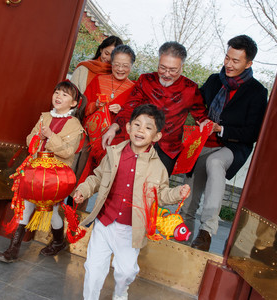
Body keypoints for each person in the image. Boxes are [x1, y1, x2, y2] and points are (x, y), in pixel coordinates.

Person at [73, 104, 191, 300]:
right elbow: (97, 177)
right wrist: (83, 190)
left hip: (131, 229)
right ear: (127, 128)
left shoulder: (159, 168)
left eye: (148, 127)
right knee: (93, 268)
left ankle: (120, 293)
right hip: (104, 222)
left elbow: (161, 194)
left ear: (157, 136)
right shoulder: (113, 154)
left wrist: (178, 193)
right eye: (137, 125)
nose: (140, 131)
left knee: (125, 272)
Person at [179, 35, 268, 252]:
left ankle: (207, 230)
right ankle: (180, 244)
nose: (228, 64)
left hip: (233, 146)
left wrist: (221, 128)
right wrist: (201, 121)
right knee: (189, 201)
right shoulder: (213, 80)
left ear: (249, 63)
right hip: (203, 143)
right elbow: (195, 105)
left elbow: (252, 133)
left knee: (215, 162)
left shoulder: (257, 92)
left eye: (235, 61)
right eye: (227, 58)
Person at [0, 80, 86, 262]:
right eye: (57, 92)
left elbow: (68, 151)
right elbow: (30, 140)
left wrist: (50, 136)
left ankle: (56, 241)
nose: (58, 97)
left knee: (50, 211)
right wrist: (38, 137)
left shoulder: (75, 125)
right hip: (36, 172)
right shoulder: (45, 116)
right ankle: (14, 249)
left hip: (56, 177)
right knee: (29, 206)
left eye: (65, 94)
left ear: (74, 103)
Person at [102, 41, 209, 176]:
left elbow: (201, 115)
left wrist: (205, 122)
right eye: (162, 68)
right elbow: (129, 108)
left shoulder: (190, 88)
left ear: (182, 67)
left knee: (155, 192)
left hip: (168, 151)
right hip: (139, 142)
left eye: (173, 70)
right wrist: (114, 127)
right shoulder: (145, 80)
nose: (166, 74)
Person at [80, 45, 136, 182]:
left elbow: (135, 116)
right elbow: (83, 108)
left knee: (106, 183)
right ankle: (72, 203)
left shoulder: (135, 89)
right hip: (90, 139)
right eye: (116, 64)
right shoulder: (98, 79)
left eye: (125, 65)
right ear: (111, 63)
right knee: (81, 177)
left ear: (132, 66)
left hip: (115, 143)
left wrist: (122, 110)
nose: (120, 69)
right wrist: (96, 105)